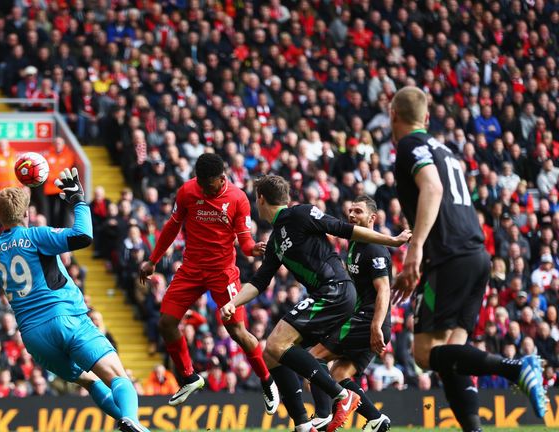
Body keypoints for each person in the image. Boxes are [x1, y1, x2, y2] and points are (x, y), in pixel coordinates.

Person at [0, 168, 148, 432]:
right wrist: (78, 200)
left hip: (34, 338)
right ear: (26, 214)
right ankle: (134, 422)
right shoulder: (34, 236)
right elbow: (83, 235)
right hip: (65, 319)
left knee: (90, 382)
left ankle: (129, 426)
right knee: (118, 377)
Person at [390, 86, 547, 431]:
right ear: (428, 118)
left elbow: (432, 188)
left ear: (393, 116)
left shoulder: (409, 145)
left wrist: (414, 248)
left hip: (447, 258)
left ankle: (516, 368)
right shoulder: (446, 150)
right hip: (476, 255)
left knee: (424, 354)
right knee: (452, 357)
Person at [222, 175, 411, 432]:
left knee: (278, 343)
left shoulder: (301, 213)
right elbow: (259, 281)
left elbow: (342, 228)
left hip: (335, 291)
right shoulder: (276, 240)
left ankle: (341, 397)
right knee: (272, 354)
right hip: (329, 295)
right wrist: (233, 302)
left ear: (261, 199)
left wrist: (392, 241)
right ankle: (303, 423)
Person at [138, 153, 280, 413]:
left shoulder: (237, 198)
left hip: (222, 273)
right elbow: (172, 226)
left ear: (222, 178)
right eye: (201, 184)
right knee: (166, 322)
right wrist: (153, 259)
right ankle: (190, 377)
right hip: (191, 269)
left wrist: (253, 249)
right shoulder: (188, 191)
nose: (204, 189)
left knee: (237, 331)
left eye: (209, 185)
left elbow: (244, 240)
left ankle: (266, 380)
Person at [307, 196, 392, 432]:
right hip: (367, 320)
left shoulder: (374, 248)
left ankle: (323, 416)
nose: (352, 215)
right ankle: (376, 420)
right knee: (338, 376)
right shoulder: (354, 243)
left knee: (314, 358)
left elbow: (384, 289)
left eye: (358, 211)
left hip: (369, 320)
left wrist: (375, 325)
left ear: (372, 218)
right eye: (350, 210)